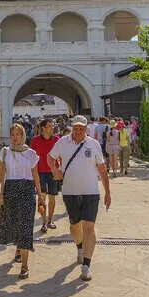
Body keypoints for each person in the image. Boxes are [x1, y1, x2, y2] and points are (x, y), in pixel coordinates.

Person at [49, 115, 111, 282]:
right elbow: (50, 157)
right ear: (72, 127)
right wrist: (55, 171)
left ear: (86, 129)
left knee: (89, 227)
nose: (78, 131)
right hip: (70, 192)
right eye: (75, 127)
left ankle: (87, 265)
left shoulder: (93, 144)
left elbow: (102, 169)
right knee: (75, 225)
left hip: (91, 192)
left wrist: (107, 192)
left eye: (81, 128)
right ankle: (79, 248)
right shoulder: (63, 142)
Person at [0, 123, 44, 279]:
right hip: (11, 190)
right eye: (13, 135)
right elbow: (0, 172)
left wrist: (40, 196)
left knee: (25, 225)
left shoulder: (31, 154)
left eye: (18, 135)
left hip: (27, 191)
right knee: (14, 223)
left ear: (23, 136)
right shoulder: (5, 152)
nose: (15, 138)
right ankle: (18, 250)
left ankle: (25, 265)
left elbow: (35, 176)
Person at [30, 119, 61, 233]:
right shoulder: (35, 140)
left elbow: (61, 156)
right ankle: (43, 222)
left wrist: (60, 170)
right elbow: (31, 157)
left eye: (53, 126)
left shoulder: (57, 140)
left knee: (52, 197)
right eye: (49, 127)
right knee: (42, 197)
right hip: (40, 172)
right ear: (43, 128)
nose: (52, 128)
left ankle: (50, 220)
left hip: (53, 172)